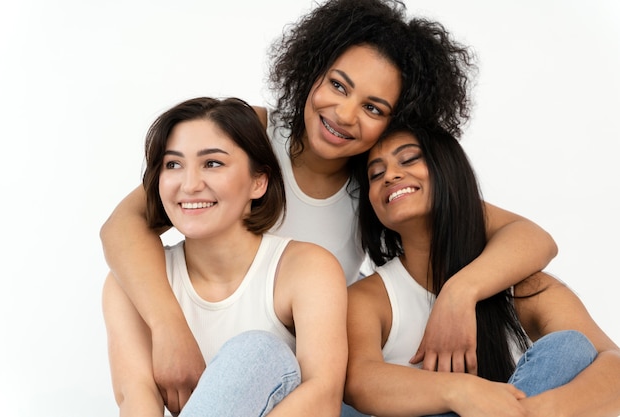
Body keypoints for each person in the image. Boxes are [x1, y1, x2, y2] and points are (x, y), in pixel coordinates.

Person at [100, 0, 558, 412]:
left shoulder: (379, 183)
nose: (344, 114)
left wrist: (461, 291)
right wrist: (168, 328)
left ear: (393, 124)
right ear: (311, 71)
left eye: (374, 108)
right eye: (338, 85)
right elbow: (122, 226)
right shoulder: (248, 135)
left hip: (310, 384)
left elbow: (531, 237)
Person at [344, 124, 620, 417]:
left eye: (410, 159)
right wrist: (461, 391)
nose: (390, 175)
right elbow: (358, 382)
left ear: (448, 169)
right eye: (376, 174)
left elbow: (612, 364)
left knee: (570, 347)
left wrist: (534, 412)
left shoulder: (525, 290)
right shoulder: (368, 298)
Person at [102, 97, 348, 417]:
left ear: (259, 181)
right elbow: (137, 399)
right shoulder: (128, 286)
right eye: (173, 164)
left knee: (257, 353)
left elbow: (324, 399)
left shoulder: (307, 269)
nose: (189, 185)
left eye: (212, 163)